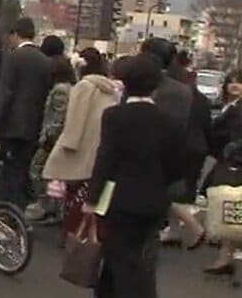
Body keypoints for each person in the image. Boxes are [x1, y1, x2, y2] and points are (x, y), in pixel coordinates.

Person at [85, 54, 183, 298]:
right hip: (153, 203)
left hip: (119, 201)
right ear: (156, 85)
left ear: (125, 83)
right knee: (136, 260)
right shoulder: (169, 123)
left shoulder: (115, 116)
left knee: (121, 263)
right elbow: (176, 167)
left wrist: (92, 198)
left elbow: (105, 159)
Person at [42, 48, 118, 234]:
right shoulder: (110, 88)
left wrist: (66, 145)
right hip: (100, 145)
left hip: (81, 146)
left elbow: (75, 121)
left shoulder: (84, 86)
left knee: (74, 196)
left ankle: (74, 233)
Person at [140, 38, 203, 248]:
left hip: (154, 149)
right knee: (167, 192)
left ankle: (193, 225)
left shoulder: (157, 86)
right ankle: (177, 230)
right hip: (177, 147)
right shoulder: (182, 86)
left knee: (159, 194)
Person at [0, 17, 52, 209]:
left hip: (11, 125)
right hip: (34, 125)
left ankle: (6, 210)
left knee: (7, 170)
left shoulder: (13, 58)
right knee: (22, 168)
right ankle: (19, 211)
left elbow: (6, 94)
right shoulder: (44, 61)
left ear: (15, 34)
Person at [26, 40, 76, 222]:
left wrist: (48, 138)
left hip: (52, 140)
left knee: (37, 170)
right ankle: (53, 208)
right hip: (59, 139)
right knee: (55, 176)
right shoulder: (71, 88)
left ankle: (46, 206)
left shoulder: (60, 91)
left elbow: (58, 118)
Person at [204, 68, 242, 277]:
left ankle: (226, 256)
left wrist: (231, 151)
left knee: (231, 206)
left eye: (241, 82)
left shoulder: (241, 109)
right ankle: (225, 257)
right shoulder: (233, 106)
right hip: (230, 160)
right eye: (232, 81)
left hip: (237, 163)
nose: (235, 85)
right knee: (230, 208)